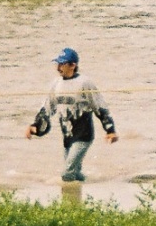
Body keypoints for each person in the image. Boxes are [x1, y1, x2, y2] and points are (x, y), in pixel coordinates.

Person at [25, 47, 117, 182]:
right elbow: (46, 109)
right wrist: (35, 126)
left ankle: (67, 201)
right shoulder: (56, 84)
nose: (58, 68)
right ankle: (85, 194)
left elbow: (99, 106)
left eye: (62, 64)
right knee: (76, 175)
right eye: (58, 64)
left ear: (73, 65)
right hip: (67, 137)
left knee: (67, 174)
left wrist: (110, 130)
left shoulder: (85, 83)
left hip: (83, 136)